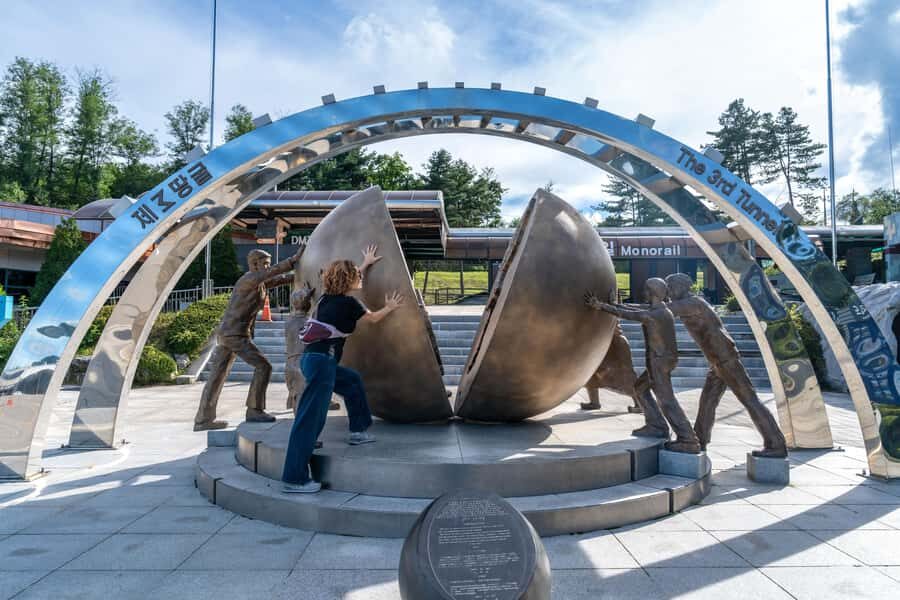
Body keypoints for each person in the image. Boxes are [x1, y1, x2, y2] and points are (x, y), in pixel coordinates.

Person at [282, 247, 403, 493]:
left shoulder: (327, 298)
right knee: (310, 419)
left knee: (351, 381)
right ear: (349, 280)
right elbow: (374, 318)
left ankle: (358, 431)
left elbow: (350, 274)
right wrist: (389, 307)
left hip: (313, 360)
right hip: (322, 363)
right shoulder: (350, 303)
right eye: (357, 275)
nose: (360, 276)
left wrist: (366, 263)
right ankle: (294, 479)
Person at [665, 273, 787, 457]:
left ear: (682, 287)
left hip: (724, 358)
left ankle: (776, 444)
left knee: (749, 399)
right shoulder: (690, 303)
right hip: (717, 360)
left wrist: (614, 307)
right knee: (708, 401)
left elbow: (658, 311)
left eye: (671, 287)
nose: (669, 291)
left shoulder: (692, 303)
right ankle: (699, 439)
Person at [585, 278, 701, 452]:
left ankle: (688, 439)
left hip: (658, 361)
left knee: (666, 399)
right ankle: (656, 425)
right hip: (664, 359)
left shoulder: (653, 315)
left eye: (645, 291)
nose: (642, 294)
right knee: (639, 388)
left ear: (652, 293)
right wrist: (611, 304)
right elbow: (634, 309)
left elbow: (631, 315)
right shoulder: (661, 309)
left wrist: (601, 306)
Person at [193, 246, 301, 431]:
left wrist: (300, 275)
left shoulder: (259, 283)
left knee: (217, 376)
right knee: (263, 366)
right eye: (265, 264)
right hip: (234, 334)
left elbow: (280, 278)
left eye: (269, 264)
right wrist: (293, 260)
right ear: (254, 264)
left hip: (230, 333)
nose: (268, 267)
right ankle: (254, 410)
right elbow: (276, 272)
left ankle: (203, 419)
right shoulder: (249, 279)